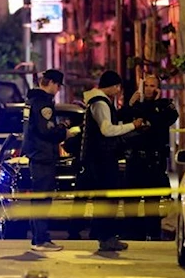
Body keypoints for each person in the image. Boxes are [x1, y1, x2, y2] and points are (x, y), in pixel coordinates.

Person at [80, 70, 144, 251]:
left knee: (107, 199)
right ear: (115, 86)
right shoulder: (100, 103)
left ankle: (106, 237)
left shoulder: (100, 101)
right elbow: (107, 130)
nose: (118, 92)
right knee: (108, 200)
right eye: (118, 88)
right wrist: (133, 126)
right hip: (102, 159)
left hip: (101, 159)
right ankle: (106, 237)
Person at [22, 69, 73, 252]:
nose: (58, 89)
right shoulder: (43, 103)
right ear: (50, 82)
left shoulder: (31, 101)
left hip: (37, 155)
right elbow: (47, 131)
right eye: (58, 85)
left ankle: (38, 238)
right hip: (43, 155)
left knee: (38, 199)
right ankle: (42, 240)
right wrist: (64, 132)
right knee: (43, 200)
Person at [123, 75, 179, 240]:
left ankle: (153, 234)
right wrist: (130, 104)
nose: (148, 89)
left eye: (152, 85)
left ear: (158, 88)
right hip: (135, 160)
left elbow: (164, 119)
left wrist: (152, 105)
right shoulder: (135, 105)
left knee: (152, 202)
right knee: (131, 201)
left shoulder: (165, 106)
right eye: (146, 85)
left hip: (154, 161)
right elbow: (121, 117)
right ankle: (134, 234)